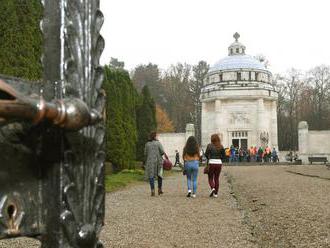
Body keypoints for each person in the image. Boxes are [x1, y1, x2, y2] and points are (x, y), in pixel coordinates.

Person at [144, 131, 165, 196]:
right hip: (158, 161)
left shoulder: (147, 144)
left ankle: (152, 190)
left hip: (150, 162)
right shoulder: (158, 143)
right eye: (157, 135)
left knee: (151, 176)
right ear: (155, 136)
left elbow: (145, 153)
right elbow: (162, 152)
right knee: (160, 175)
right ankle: (159, 189)